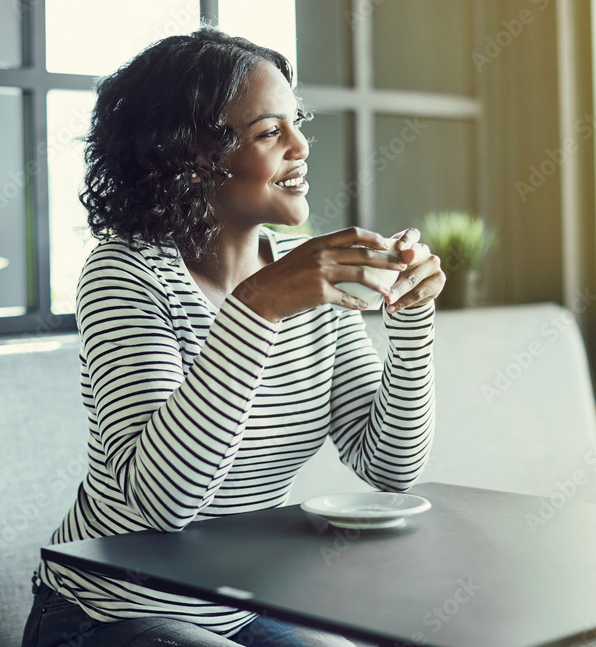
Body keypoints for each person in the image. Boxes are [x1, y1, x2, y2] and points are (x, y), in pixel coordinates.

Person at [23, 27, 444, 647]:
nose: (302, 146)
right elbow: (162, 502)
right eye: (270, 131)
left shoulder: (311, 278)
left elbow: (389, 467)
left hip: (237, 610)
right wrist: (260, 307)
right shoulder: (126, 273)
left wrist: (408, 321)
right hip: (107, 615)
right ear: (191, 158)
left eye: (296, 124)